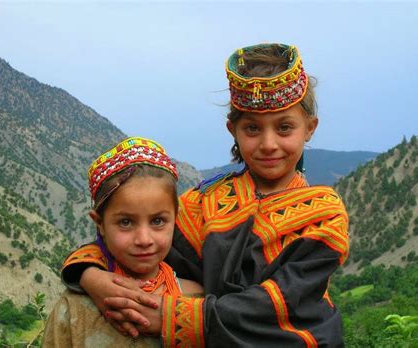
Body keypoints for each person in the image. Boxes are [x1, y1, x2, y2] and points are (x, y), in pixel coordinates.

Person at [60, 43, 349, 347]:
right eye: (252, 128)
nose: (268, 143)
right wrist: (91, 275)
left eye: (284, 127)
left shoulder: (323, 217)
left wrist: (174, 317)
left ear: (310, 128)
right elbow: (133, 247)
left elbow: (281, 304)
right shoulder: (203, 203)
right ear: (232, 130)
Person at [42, 137, 203, 348]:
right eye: (126, 222)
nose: (144, 239)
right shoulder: (74, 307)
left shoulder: (198, 300)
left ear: (176, 219)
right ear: (100, 223)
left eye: (158, 221)